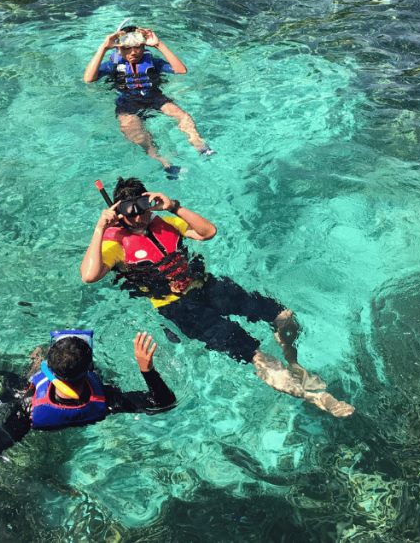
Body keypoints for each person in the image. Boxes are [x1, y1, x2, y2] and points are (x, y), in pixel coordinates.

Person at [80, 177, 355, 418]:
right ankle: (317, 397)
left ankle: (294, 363)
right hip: (177, 309)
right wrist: (100, 227)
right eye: (131, 212)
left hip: (207, 286)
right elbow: (89, 276)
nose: (139, 216)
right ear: (119, 213)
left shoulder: (164, 221)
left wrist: (173, 206)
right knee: (256, 355)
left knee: (284, 316)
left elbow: (207, 232)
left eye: (142, 207)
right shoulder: (115, 243)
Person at [0, 330, 176, 478]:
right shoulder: (108, 399)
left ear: (49, 370)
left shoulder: (27, 407)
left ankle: (27, 368)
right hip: (85, 408)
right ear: (90, 369)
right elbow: (163, 403)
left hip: (35, 408)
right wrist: (147, 369)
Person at [83, 25, 214, 179]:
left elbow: (180, 70)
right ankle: (167, 164)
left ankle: (202, 147)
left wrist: (159, 44)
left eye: (137, 47)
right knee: (133, 131)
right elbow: (88, 79)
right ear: (119, 49)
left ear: (144, 45)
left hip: (154, 97)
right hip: (127, 103)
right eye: (127, 48)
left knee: (180, 114)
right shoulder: (112, 65)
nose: (133, 52)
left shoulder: (154, 62)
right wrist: (104, 48)